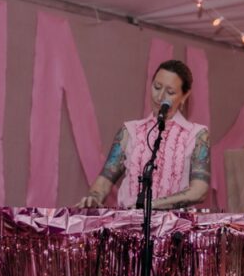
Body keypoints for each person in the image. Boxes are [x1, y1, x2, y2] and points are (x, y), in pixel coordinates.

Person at [77, 60, 210, 209]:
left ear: (185, 96)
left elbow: (199, 191)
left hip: (174, 228)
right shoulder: (130, 131)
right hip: (127, 227)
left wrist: (151, 206)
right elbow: (103, 183)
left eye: (170, 92)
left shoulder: (197, 135)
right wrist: (93, 198)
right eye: (157, 87)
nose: (159, 97)